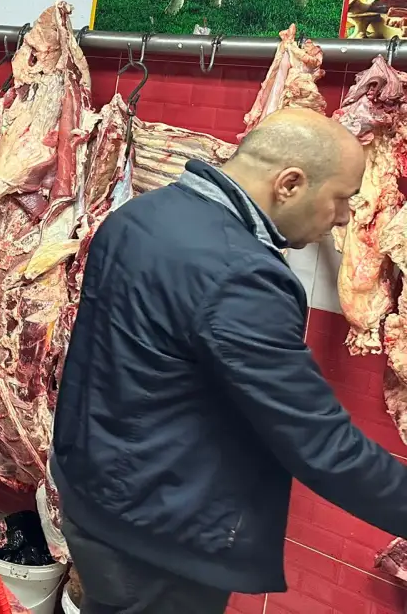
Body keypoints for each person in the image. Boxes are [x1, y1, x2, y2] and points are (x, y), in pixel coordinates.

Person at [52, 108, 407, 614]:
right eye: (342, 197)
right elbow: (321, 444)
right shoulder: (238, 275)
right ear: (289, 184)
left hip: (97, 497)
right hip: (159, 539)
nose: (346, 216)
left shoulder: (142, 215)